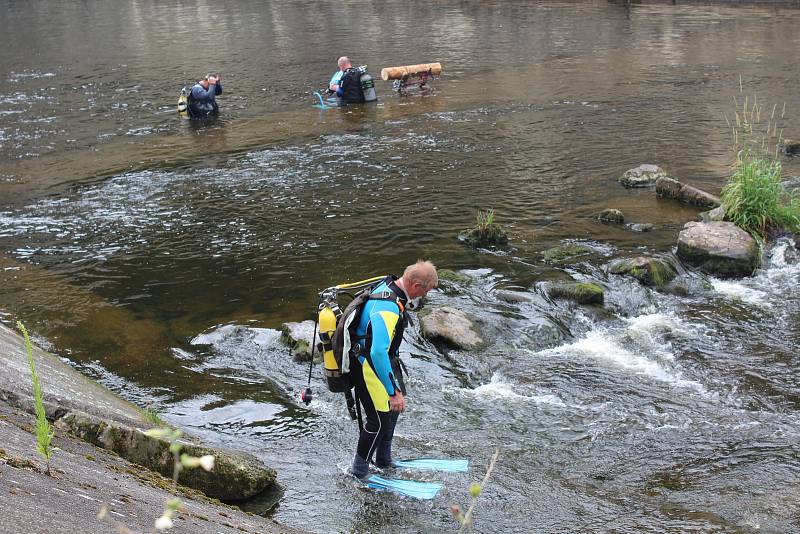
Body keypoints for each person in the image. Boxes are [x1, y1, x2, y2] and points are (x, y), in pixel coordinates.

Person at [349, 260, 438, 479]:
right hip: (367, 365)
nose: (423, 296)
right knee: (377, 421)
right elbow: (378, 352)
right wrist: (392, 391)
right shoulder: (388, 307)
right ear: (416, 285)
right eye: (426, 291)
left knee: (393, 411)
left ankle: (384, 460)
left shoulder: (389, 285)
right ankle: (359, 472)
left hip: (381, 361)